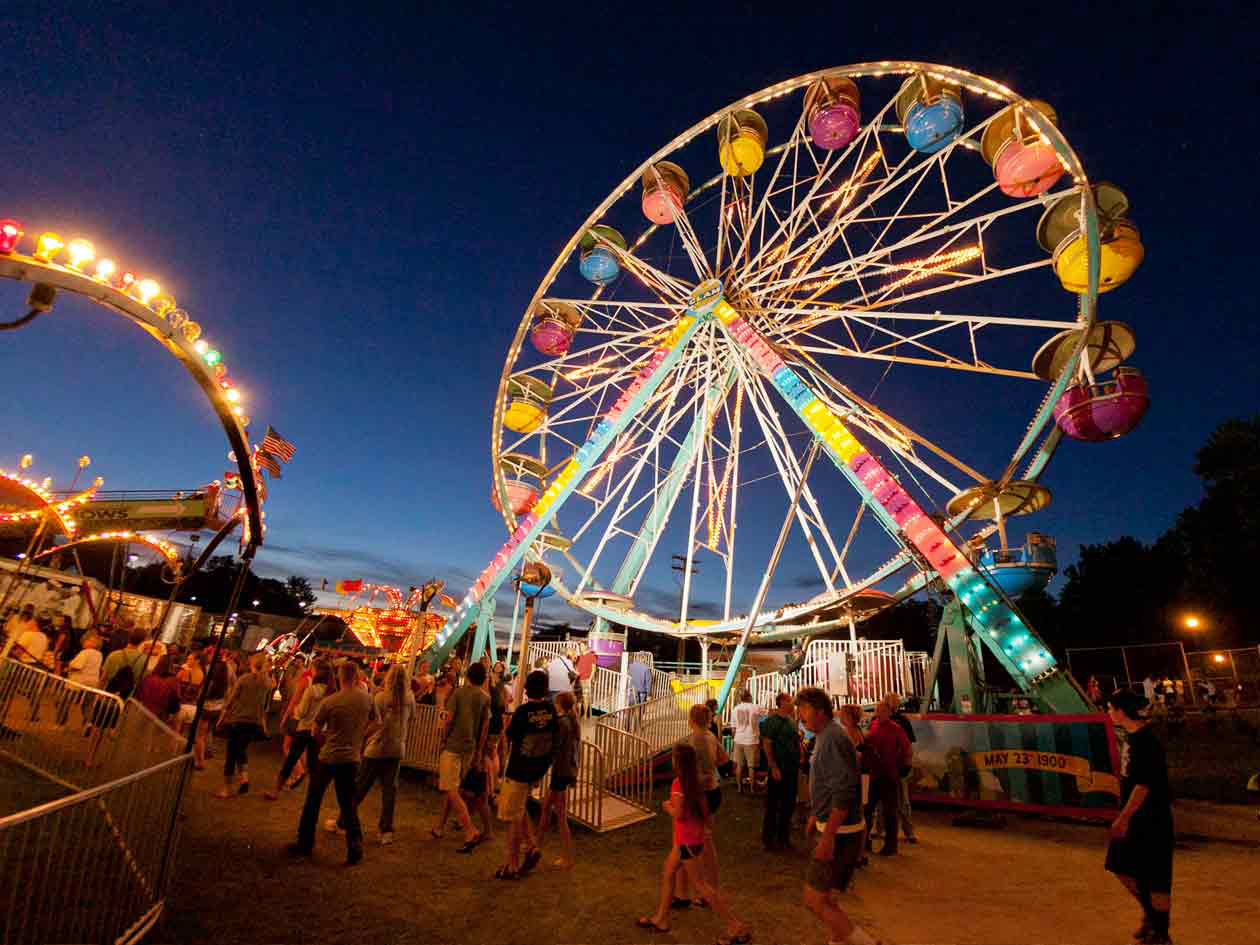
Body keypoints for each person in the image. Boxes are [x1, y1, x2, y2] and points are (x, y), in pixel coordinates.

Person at [636, 742, 750, 943]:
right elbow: (706, 815)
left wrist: (667, 806)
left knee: (701, 886)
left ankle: (735, 925)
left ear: (677, 763)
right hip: (691, 839)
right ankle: (661, 918)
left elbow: (679, 814)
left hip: (686, 841)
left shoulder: (679, 785)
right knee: (669, 872)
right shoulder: (696, 783)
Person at [795, 686, 876, 945]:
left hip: (840, 833)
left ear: (820, 711)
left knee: (814, 899)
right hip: (840, 829)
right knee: (828, 899)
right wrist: (815, 815)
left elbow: (844, 790)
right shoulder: (826, 736)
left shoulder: (832, 738)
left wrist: (828, 836)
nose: (800, 715)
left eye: (803, 709)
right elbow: (829, 784)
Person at [1105, 688, 1175, 945]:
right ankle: (1151, 914)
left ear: (1122, 711)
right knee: (1120, 865)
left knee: (1156, 877)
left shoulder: (1146, 741)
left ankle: (1161, 933)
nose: (1108, 712)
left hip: (1151, 818)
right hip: (1135, 816)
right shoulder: (1131, 737)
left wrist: (1123, 818)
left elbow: (1144, 785)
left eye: (1111, 708)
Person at [288, 661, 374, 865]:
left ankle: (305, 842)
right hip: (351, 757)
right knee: (348, 803)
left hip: (329, 756)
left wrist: (325, 739)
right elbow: (377, 722)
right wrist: (361, 736)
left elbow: (315, 730)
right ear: (356, 677)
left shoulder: (331, 701)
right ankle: (355, 845)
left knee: (313, 799)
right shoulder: (367, 700)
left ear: (340, 677)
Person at [340, 663, 415, 844]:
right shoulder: (410, 698)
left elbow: (374, 722)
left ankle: (343, 822)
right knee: (390, 791)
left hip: (377, 748)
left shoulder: (380, 697)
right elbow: (413, 718)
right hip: (397, 748)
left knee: (360, 787)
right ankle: (386, 831)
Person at [496, 669, 557, 879]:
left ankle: (511, 865)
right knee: (520, 808)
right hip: (537, 768)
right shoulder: (551, 710)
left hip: (519, 769)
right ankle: (532, 845)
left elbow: (511, 736)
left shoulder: (523, 712)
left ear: (527, 688)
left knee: (513, 816)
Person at [674, 703, 730, 906]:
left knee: (700, 843)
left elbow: (705, 773)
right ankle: (682, 892)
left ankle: (706, 891)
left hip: (702, 795)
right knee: (695, 842)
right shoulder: (710, 735)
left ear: (691, 720)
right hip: (711, 792)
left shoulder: (697, 739)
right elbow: (724, 759)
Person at [432, 660, 490, 851]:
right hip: (470, 748)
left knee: (450, 788)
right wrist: (479, 751)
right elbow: (484, 727)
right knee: (454, 787)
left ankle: (470, 830)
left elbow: (448, 720)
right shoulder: (484, 698)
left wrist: (443, 738)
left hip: (453, 745)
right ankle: (439, 826)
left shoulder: (458, 693)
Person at [267, 662, 331, 799]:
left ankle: (276, 791)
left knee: (291, 758)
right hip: (318, 731)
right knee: (314, 764)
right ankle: (313, 795)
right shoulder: (330, 692)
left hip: (304, 728)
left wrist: (292, 712)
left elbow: (301, 712)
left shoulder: (311, 690)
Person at [215, 652, 274, 798]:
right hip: (254, 722)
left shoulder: (244, 679)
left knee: (231, 754)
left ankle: (228, 787)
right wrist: (264, 725)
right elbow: (265, 707)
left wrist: (221, 718)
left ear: (252, 664)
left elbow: (231, 701)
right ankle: (244, 779)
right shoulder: (268, 683)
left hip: (239, 720)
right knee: (241, 749)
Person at [863, 696, 911, 857]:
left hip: (889, 775)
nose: (879, 713)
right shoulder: (874, 725)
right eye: (877, 710)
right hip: (874, 774)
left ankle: (891, 845)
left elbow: (907, 748)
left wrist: (905, 766)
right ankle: (865, 842)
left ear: (889, 713)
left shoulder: (896, 728)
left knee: (890, 811)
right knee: (868, 809)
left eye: (882, 711)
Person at [537, 689, 579, 869]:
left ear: (560, 705)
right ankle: (536, 845)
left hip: (561, 772)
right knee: (546, 807)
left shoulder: (563, 724)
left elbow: (555, 748)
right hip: (564, 771)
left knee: (560, 815)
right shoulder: (571, 722)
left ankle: (568, 857)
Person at [760, 691, 801, 852]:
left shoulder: (791, 721)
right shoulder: (772, 721)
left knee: (788, 804)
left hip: (791, 768)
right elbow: (767, 743)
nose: (792, 703)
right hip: (779, 768)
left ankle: (784, 837)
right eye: (790, 700)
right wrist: (773, 766)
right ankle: (769, 839)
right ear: (782, 702)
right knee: (773, 804)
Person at [882, 693, 918, 845]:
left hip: (895, 766)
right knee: (896, 800)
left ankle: (906, 832)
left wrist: (906, 763)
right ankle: (906, 832)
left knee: (900, 800)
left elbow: (909, 745)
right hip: (888, 766)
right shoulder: (882, 721)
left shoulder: (899, 721)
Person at [100, 629, 149, 698]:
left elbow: (103, 678)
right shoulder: (144, 660)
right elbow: (141, 682)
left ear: (129, 638)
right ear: (143, 642)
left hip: (106, 696)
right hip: (125, 699)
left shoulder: (114, 655)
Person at [136, 655, 181, 723]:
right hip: (160, 718)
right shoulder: (174, 681)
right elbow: (176, 701)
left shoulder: (149, 678)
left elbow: (139, 695)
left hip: (143, 712)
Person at [732, 689, 761, 792]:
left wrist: (734, 740)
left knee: (739, 765)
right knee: (751, 767)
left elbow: (733, 728)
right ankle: (752, 789)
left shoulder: (735, 709)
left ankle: (739, 788)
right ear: (749, 696)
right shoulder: (755, 707)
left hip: (738, 739)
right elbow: (765, 714)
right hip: (751, 740)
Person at [574, 642, 598, 717]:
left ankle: (585, 714)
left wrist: (590, 679)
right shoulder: (579, 657)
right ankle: (578, 714)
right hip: (579, 679)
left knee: (585, 697)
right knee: (579, 698)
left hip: (586, 679)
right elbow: (577, 668)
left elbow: (593, 669)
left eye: (581, 646)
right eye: (579, 646)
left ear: (586, 646)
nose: (580, 647)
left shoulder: (591, 656)